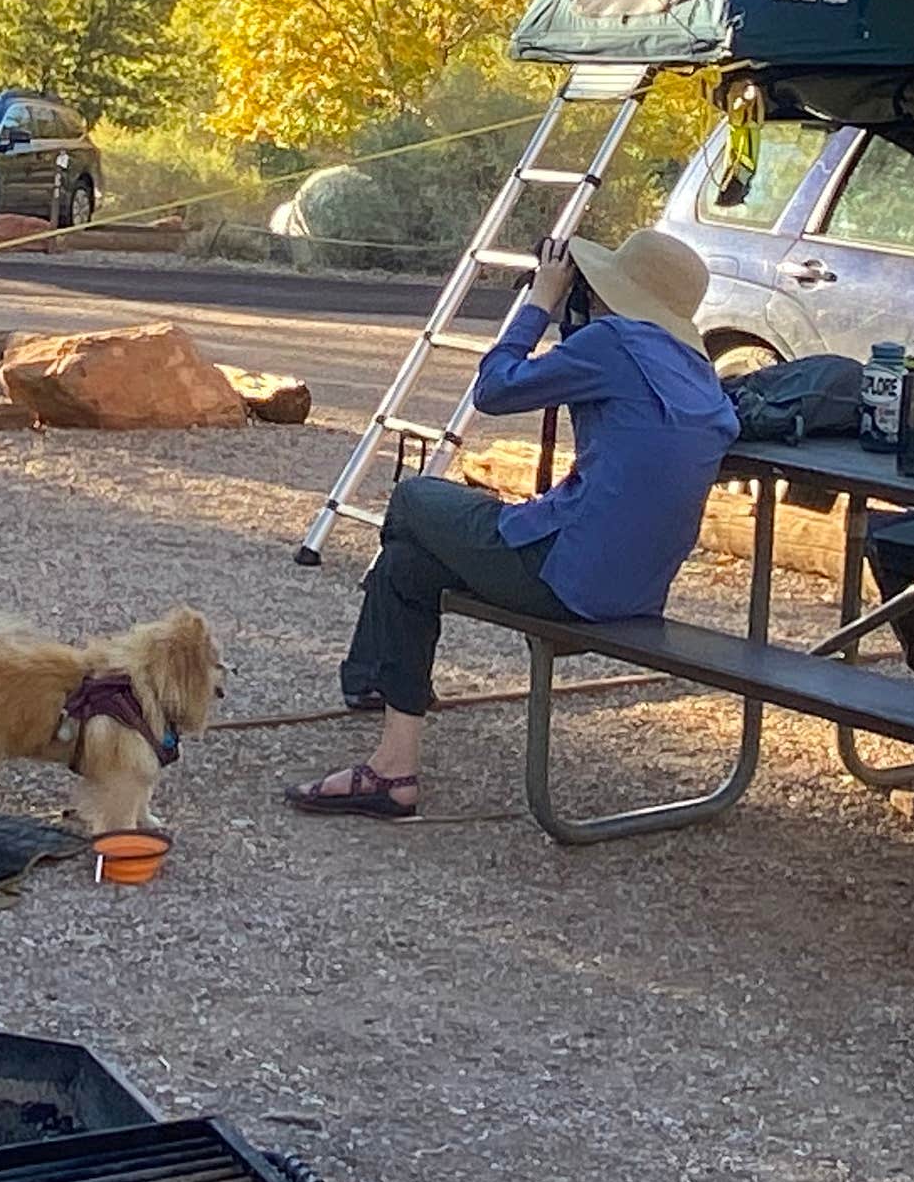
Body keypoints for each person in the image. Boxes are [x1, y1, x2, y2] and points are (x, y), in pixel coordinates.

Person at [288, 226, 737, 819]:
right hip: (635, 590)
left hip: (564, 578)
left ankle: (377, 676)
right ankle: (392, 765)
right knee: (408, 565)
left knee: (414, 500)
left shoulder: (614, 344)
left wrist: (541, 302)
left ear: (610, 290)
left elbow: (494, 390)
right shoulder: (696, 371)